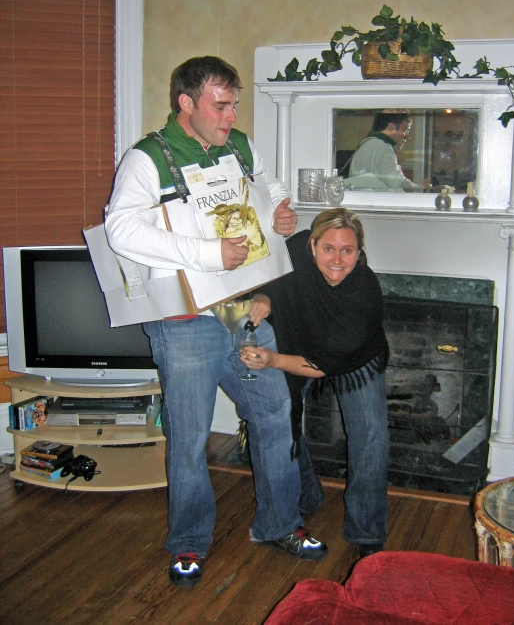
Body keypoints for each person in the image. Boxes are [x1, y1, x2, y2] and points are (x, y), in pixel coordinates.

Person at [105, 56, 327, 589]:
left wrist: (279, 210)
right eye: (219, 105)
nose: (230, 116)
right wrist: (205, 253)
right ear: (186, 103)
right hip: (183, 320)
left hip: (240, 308)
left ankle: (279, 523)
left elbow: (267, 184)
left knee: (274, 415)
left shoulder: (239, 145)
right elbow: (120, 230)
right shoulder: (147, 159)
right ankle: (187, 542)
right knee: (189, 437)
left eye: (234, 104)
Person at [243, 208, 390, 558]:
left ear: (359, 252)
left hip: (355, 358)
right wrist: (263, 299)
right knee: (283, 415)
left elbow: (324, 365)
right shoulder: (293, 251)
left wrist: (274, 360)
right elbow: (269, 280)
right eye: (329, 248)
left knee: (371, 436)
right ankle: (307, 494)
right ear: (312, 245)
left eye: (348, 250)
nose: (337, 259)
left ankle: (367, 532)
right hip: (303, 343)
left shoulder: (364, 289)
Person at [345, 111, 429, 191]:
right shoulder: (383, 147)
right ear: (391, 127)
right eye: (405, 130)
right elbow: (397, 182)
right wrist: (419, 187)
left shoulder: (368, 143)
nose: (407, 136)